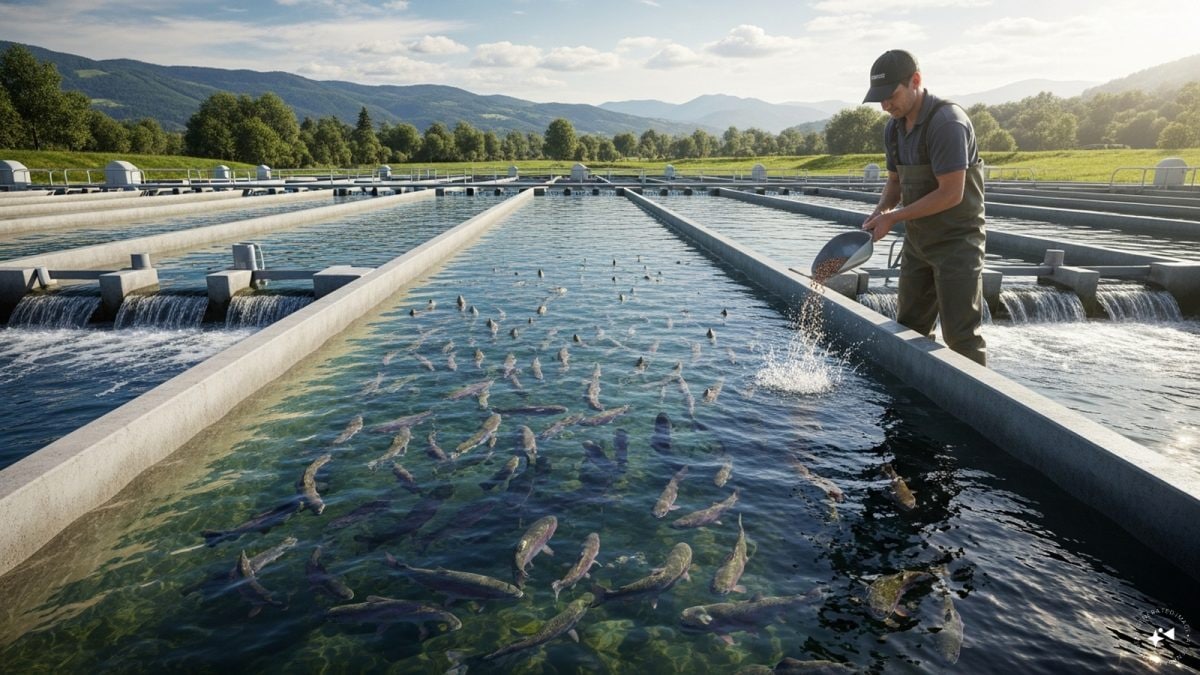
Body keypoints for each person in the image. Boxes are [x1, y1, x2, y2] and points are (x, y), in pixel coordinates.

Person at [860, 49, 987, 366]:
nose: (885, 105)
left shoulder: (947, 122)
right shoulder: (894, 128)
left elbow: (950, 194)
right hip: (918, 242)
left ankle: (974, 409)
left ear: (915, 81)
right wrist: (879, 213)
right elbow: (895, 183)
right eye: (880, 99)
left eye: (891, 95)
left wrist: (894, 217)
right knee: (909, 327)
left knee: (961, 336)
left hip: (957, 243)